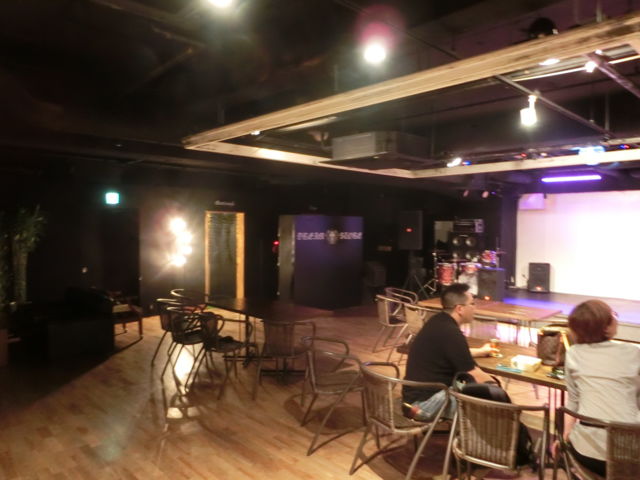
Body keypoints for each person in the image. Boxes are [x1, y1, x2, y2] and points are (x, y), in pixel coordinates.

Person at [562, 299, 640, 477]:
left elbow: (573, 401)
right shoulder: (633, 352)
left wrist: (565, 436)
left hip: (586, 452)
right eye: (613, 315)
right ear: (606, 326)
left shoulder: (573, 353)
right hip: (631, 454)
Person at [402, 282, 496, 421]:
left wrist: (481, 351)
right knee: (487, 404)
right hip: (423, 405)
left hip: (412, 400)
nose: (475, 307)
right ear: (460, 309)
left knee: (476, 391)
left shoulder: (438, 321)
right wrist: (497, 388)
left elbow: (452, 353)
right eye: (472, 304)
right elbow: (473, 373)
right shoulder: (451, 333)